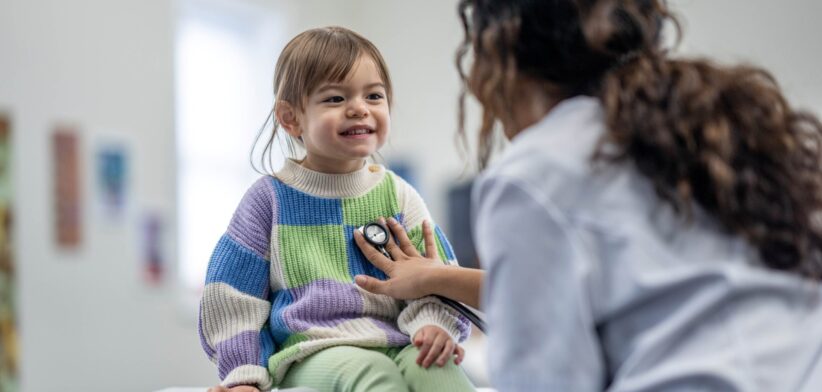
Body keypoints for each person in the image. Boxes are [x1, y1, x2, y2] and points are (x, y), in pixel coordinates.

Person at [354, 0, 822, 391]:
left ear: (496, 56)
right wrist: (438, 278)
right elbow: (646, 288)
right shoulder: (710, 130)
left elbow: (547, 380)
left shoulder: (537, 172)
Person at [199, 26, 474, 392]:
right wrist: (243, 377)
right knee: (375, 374)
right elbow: (232, 299)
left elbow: (436, 276)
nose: (360, 108)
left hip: (396, 341)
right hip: (312, 350)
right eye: (334, 99)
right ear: (291, 118)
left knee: (438, 373)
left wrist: (434, 326)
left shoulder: (400, 195)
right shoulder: (268, 200)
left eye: (374, 96)